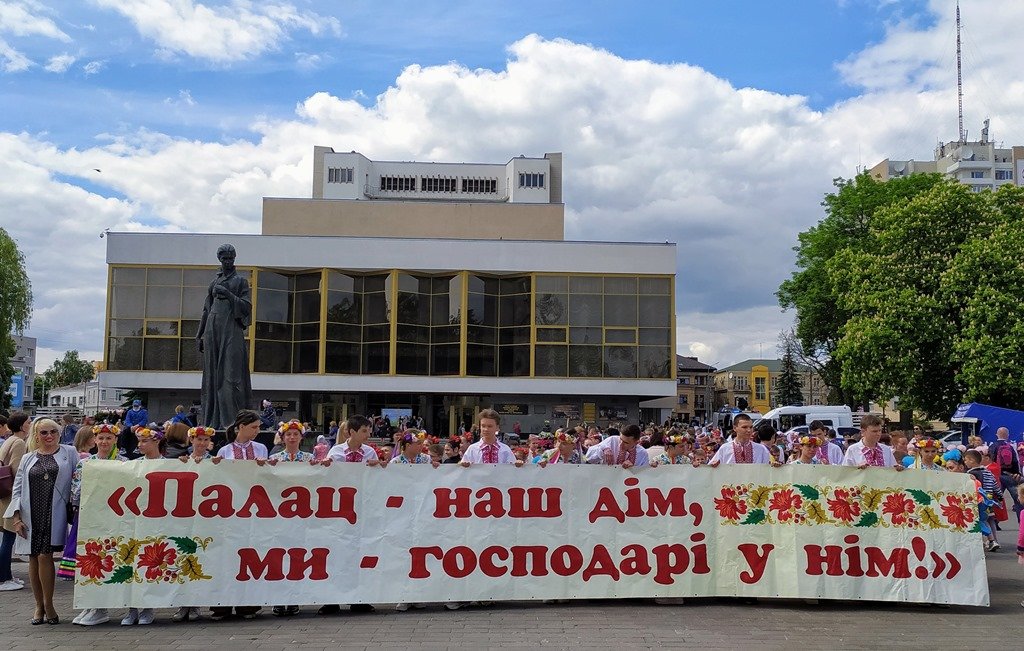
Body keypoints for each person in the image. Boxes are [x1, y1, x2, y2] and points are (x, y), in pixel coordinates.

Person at [3, 418, 78, 624]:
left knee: (45, 555)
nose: (49, 436)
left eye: (53, 431)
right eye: (44, 432)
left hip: (54, 512)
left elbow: (79, 479)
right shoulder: (28, 457)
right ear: (36, 435)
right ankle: (39, 606)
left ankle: (49, 604)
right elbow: (18, 488)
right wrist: (16, 518)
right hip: (30, 513)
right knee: (33, 557)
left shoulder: (69, 452)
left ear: (59, 433)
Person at [319, 415, 378, 615]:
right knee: (335, 552)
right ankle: (331, 600)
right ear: (351, 432)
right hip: (338, 509)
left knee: (358, 552)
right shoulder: (336, 452)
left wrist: (379, 467)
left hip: (361, 508)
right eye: (364, 431)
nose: (368, 435)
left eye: (369, 431)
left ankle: (359, 599)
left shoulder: (369, 452)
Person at [70, 424, 128, 626]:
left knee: (109, 560)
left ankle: (101, 606)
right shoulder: (86, 463)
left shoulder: (124, 463)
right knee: (90, 560)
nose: (104, 442)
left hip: (114, 519)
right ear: (94, 440)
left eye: (108, 438)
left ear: (115, 440)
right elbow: (75, 491)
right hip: (91, 518)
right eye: (101, 438)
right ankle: (91, 603)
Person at [197, 244, 254, 429]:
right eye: (224, 259)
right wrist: (199, 335)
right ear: (220, 259)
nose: (228, 262)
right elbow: (206, 310)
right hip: (212, 331)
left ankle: (233, 423)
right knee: (212, 377)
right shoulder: (213, 283)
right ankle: (213, 420)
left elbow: (247, 307)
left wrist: (228, 294)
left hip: (231, 330)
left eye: (231, 258)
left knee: (231, 376)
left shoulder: (240, 281)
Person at [0, 412, 31, 592]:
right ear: (21, 426)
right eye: (28, 422)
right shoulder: (19, 442)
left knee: (7, 537)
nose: (30, 425)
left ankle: (7, 575)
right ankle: (3, 578)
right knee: (9, 538)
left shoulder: (10, 440)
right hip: (11, 496)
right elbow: (16, 469)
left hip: (4, 495)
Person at [964, 449, 1001, 551]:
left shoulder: (971, 474)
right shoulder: (988, 472)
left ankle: (988, 541)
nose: (965, 462)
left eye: (966, 460)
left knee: (979, 521)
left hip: (978, 500)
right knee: (990, 520)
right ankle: (994, 540)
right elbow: (995, 485)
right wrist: (1000, 496)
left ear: (971, 460)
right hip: (989, 500)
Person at [709, 415, 774, 466]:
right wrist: (714, 465)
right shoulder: (725, 448)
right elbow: (710, 469)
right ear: (735, 428)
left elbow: (769, 469)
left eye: (751, 427)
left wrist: (775, 466)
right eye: (744, 427)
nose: (749, 430)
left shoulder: (761, 449)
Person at [989, 427, 1022, 519]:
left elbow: (990, 461)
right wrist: (1017, 473)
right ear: (1007, 435)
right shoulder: (1010, 447)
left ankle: (995, 521)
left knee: (996, 498)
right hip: (1009, 475)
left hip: (996, 475)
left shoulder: (992, 446)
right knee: (1017, 499)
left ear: (997, 434)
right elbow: (1015, 461)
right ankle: (1021, 521)